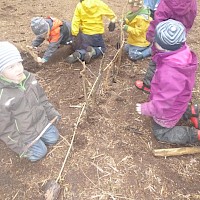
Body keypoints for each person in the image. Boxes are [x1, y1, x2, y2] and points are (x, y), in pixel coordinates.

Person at [136, 19, 199, 144]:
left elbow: (165, 100)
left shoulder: (170, 72)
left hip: (169, 107)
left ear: (164, 48)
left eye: (157, 42)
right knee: (178, 108)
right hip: (179, 100)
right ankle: (191, 111)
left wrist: (148, 108)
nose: (154, 43)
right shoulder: (181, 51)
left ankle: (194, 135)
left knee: (161, 132)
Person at [0, 41, 61, 161]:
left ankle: (42, 134)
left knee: (54, 138)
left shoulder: (30, 78)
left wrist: (52, 113)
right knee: (40, 153)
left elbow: (42, 99)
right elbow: (5, 127)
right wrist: (20, 147)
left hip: (41, 123)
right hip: (26, 134)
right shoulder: (3, 95)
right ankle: (32, 145)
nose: (18, 69)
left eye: (18, 63)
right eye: (11, 67)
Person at [135, 0, 197, 93]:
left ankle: (148, 84)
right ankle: (169, 83)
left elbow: (158, 22)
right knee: (174, 61)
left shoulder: (166, 3)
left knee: (156, 60)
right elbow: (191, 19)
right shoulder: (192, 2)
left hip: (162, 39)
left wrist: (150, 35)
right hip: (178, 37)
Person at [65, 0, 116, 64]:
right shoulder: (99, 3)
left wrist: (74, 33)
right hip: (97, 34)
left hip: (85, 34)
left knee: (85, 47)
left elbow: (75, 21)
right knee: (102, 48)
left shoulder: (80, 5)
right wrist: (113, 21)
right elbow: (111, 14)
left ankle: (80, 54)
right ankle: (93, 51)